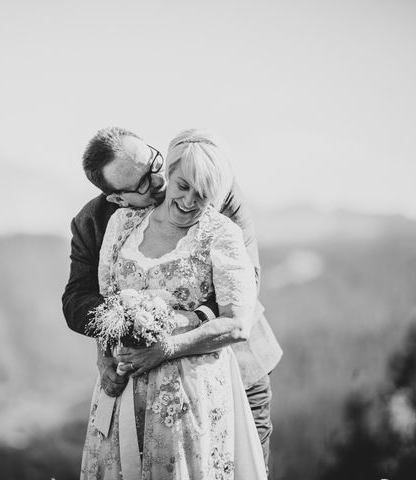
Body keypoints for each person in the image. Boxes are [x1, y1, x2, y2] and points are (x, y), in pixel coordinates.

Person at [62, 127, 282, 475]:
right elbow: (79, 300)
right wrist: (113, 341)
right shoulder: (100, 221)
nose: (160, 182)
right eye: (143, 184)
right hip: (138, 383)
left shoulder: (208, 179)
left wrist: (187, 318)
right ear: (119, 199)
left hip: (234, 370)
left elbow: (246, 287)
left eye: (154, 164)